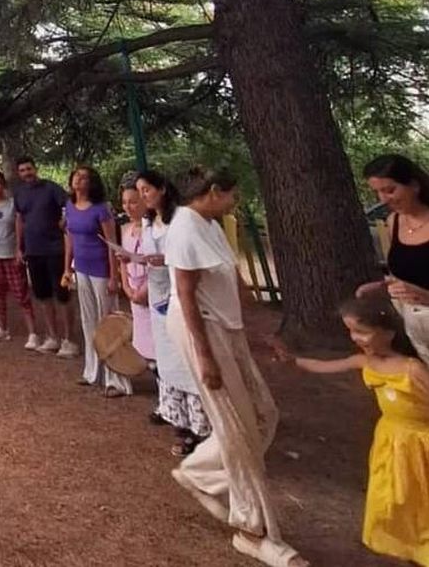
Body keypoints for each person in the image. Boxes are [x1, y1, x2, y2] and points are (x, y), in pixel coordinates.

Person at [166, 166, 307, 567]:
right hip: (203, 333)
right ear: (213, 192)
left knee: (263, 414)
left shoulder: (210, 225)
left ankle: (199, 472)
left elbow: (235, 283)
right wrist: (205, 356)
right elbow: (186, 298)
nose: (235, 203)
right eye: (232, 196)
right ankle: (254, 531)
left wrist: (263, 333)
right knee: (238, 430)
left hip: (226, 331)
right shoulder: (184, 230)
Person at [276, 296, 428, 566]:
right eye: (351, 331)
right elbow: (327, 367)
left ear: (389, 331)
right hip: (391, 442)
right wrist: (294, 361)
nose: (355, 338)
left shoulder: (412, 369)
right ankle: (409, 548)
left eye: (362, 331)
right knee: (395, 496)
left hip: (421, 442)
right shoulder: (364, 362)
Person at [137, 170, 210, 456]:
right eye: (140, 191)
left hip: (179, 294)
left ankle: (200, 428)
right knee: (167, 361)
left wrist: (164, 259)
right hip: (157, 297)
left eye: (147, 190)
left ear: (163, 189)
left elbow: (188, 257)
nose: (144, 196)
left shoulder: (180, 220)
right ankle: (178, 422)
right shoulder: (147, 222)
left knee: (187, 359)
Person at [63, 166, 130, 397]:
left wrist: (114, 276)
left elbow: (112, 243)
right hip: (81, 269)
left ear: (91, 183)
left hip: (101, 270)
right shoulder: (70, 207)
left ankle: (117, 378)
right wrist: (66, 268)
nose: (79, 180)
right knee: (89, 321)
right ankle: (93, 372)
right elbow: (69, 239)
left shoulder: (101, 210)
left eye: (85, 177)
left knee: (108, 322)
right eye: (77, 176)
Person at [359, 154, 429, 365]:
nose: (383, 199)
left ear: (414, 186)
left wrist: (426, 296)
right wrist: (382, 285)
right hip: (416, 326)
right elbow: (406, 271)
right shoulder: (394, 222)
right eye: (378, 192)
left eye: (390, 190)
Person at [13, 157, 73, 354]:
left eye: (29, 169)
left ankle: (69, 339)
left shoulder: (51, 188)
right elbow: (20, 219)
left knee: (62, 295)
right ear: (18, 174)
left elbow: (70, 204)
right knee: (43, 295)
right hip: (33, 250)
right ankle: (52, 337)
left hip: (55, 249)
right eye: (22, 171)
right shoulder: (20, 193)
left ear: (35, 169)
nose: (26, 173)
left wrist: (65, 219)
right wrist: (19, 247)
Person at [0, 171, 36, 345]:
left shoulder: (12, 205)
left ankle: (33, 333)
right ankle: (2, 329)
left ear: (3, 185)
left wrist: (20, 249)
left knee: (21, 294)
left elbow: (20, 228)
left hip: (11, 255)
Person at [119, 183, 154, 363]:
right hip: (134, 290)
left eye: (133, 202)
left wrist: (143, 292)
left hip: (151, 291)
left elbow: (157, 265)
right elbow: (123, 262)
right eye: (125, 203)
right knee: (143, 341)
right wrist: (126, 287)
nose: (128, 207)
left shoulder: (153, 229)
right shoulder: (127, 230)